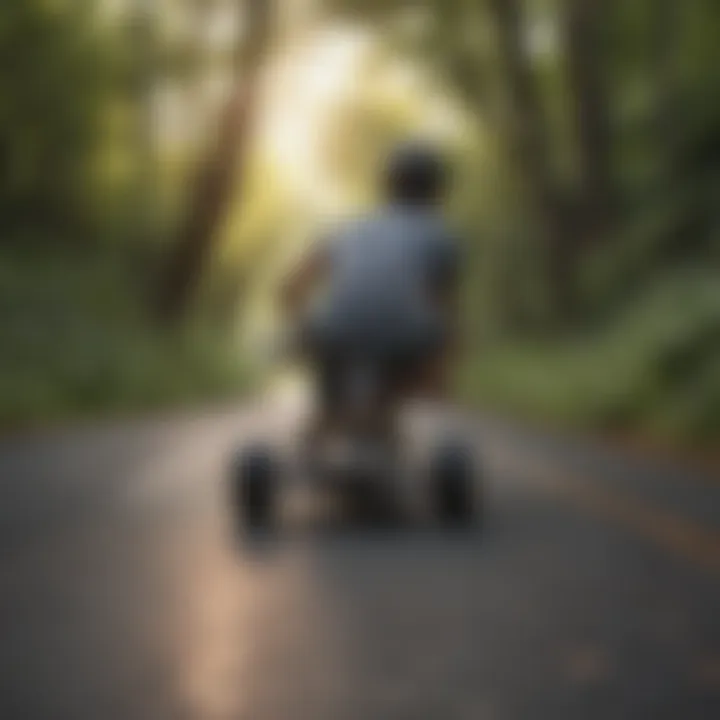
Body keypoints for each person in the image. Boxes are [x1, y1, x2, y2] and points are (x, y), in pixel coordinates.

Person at [280, 140, 462, 451]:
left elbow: (291, 287)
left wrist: (301, 327)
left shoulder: (350, 227)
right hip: (402, 337)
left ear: (387, 184)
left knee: (330, 378)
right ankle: (380, 413)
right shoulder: (440, 234)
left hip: (336, 330)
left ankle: (325, 420)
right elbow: (441, 305)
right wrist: (440, 372)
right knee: (420, 346)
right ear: (437, 189)